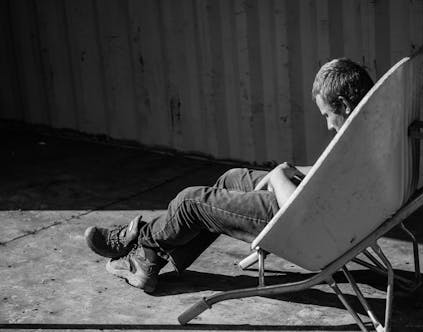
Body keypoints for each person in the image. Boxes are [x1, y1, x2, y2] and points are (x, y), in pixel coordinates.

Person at [84, 58, 374, 293]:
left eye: (327, 115)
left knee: (190, 202)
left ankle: (144, 246)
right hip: (322, 205)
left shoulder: (356, 143)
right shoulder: (371, 131)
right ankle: (151, 257)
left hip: (307, 221)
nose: (327, 125)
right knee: (231, 178)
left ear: (344, 104)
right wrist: (291, 170)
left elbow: (294, 211)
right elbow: (333, 172)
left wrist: (276, 178)